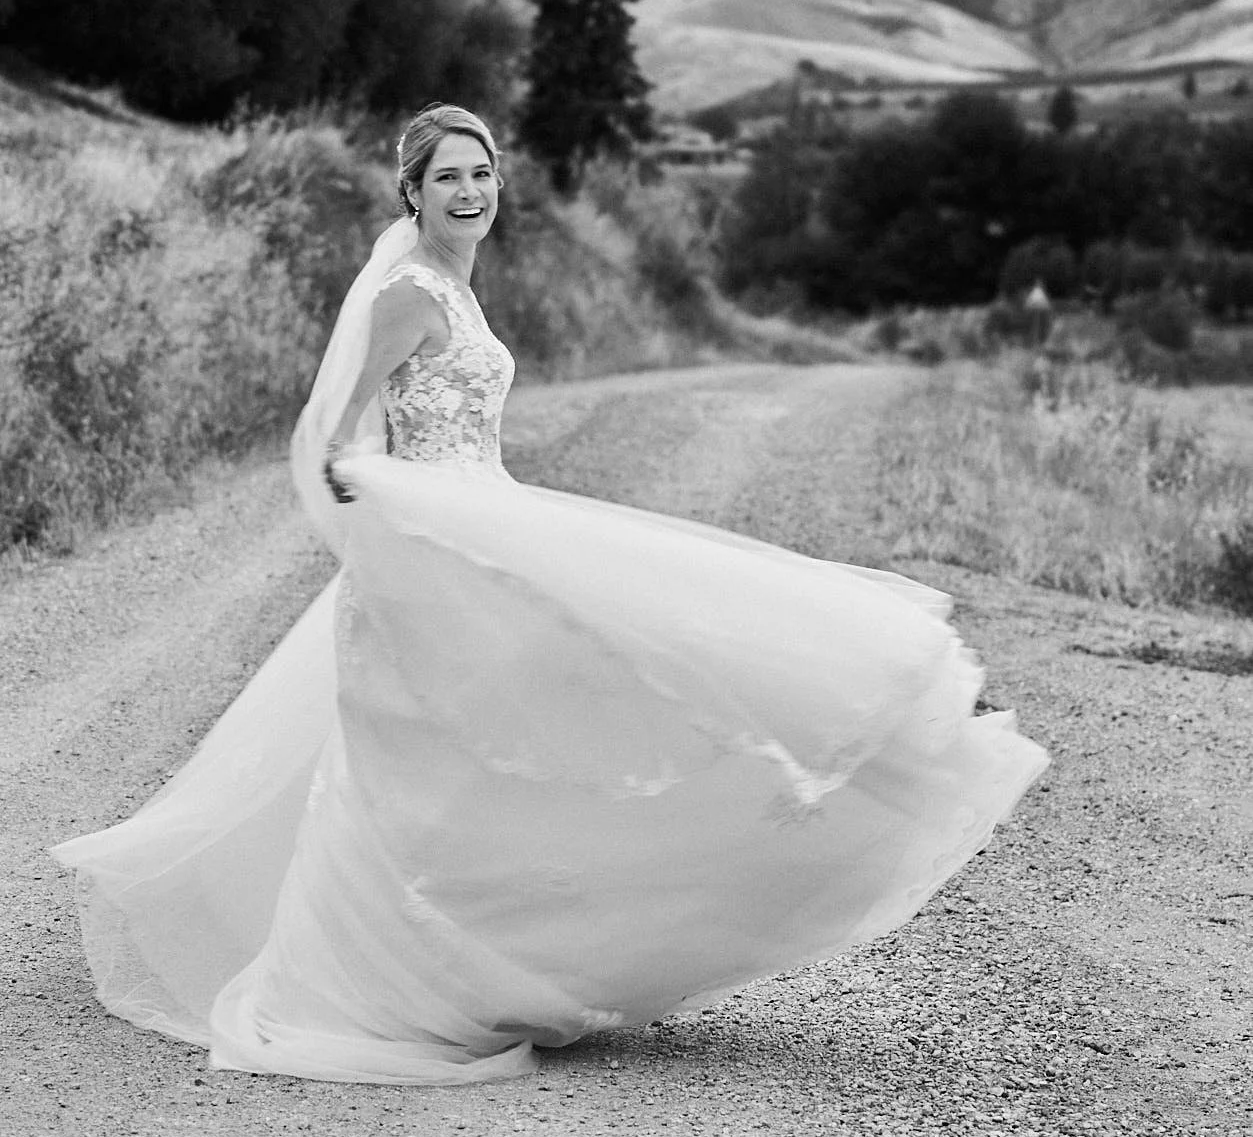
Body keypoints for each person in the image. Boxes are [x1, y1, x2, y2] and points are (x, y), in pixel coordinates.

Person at [53, 103, 1048, 1085]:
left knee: (516, 743)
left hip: (486, 522)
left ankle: (510, 958)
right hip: (440, 545)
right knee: (426, 765)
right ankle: (395, 982)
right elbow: (337, 441)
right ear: (412, 190)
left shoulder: (457, 282)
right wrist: (400, 512)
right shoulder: (407, 292)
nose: (470, 190)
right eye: (447, 175)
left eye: (480, 173)